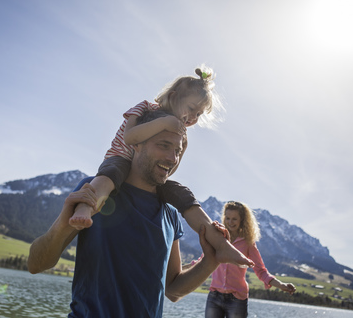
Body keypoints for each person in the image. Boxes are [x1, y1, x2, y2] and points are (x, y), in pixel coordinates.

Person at [28, 110, 226, 318]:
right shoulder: (95, 192)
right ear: (136, 143)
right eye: (164, 146)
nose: (172, 158)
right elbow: (35, 264)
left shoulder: (171, 215)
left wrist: (211, 261)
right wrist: (62, 224)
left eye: (177, 151)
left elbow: (173, 289)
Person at [68, 65, 254, 268]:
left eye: (199, 115)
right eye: (191, 109)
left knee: (184, 195)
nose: (193, 118)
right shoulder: (145, 107)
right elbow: (130, 137)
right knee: (108, 177)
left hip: (148, 174)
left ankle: (222, 245)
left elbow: (169, 169)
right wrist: (165, 123)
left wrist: (177, 146)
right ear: (173, 97)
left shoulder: (181, 134)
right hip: (120, 158)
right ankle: (85, 208)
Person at [190, 201, 296, 318]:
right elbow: (202, 261)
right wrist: (180, 271)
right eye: (228, 218)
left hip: (237, 299)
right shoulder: (217, 238)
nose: (230, 222)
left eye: (234, 219)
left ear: (242, 220)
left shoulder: (248, 243)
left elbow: (261, 271)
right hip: (214, 297)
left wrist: (281, 285)